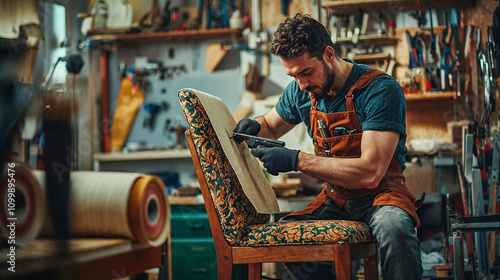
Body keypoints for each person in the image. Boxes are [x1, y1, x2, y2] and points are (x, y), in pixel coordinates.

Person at [232, 13, 423, 280]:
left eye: (306, 72)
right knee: (287, 238)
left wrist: (295, 160)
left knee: (395, 229)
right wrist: (255, 125)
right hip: (335, 199)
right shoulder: (301, 90)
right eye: (293, 76)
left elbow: (370, 173)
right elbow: (271, 125)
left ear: (329, 54)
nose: (302, 84)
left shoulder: (379, 89)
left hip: (381, 196)